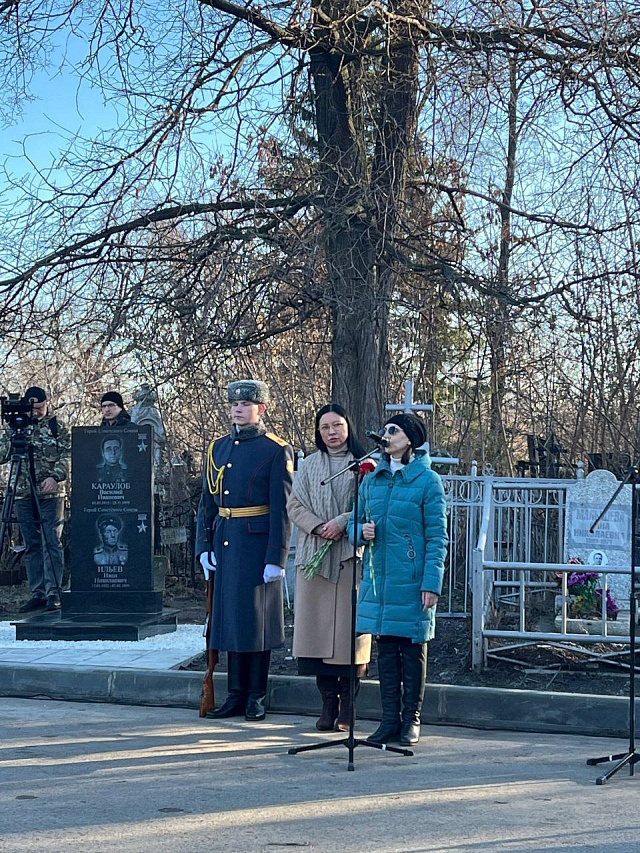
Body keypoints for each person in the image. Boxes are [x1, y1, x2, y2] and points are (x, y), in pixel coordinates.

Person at [196, 379, 294, 722]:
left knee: (257, 622)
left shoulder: (275, 449)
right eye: (234, 404)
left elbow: (282, 508)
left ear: (261, 409)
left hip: (256, 544)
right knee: (230, 622)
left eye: (246, 404)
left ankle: (256, 695)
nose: (238, 408)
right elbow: (207, 502)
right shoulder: (218, 448)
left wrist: (276, 557)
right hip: (225, 539)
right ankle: (234, 694)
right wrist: (203, 546)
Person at [349, 413, 448, 746]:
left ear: (410, 440)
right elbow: (354, 524)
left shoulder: (427, 481)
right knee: (386, 650)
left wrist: (432, 583)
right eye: (385, 430)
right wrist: (359, 532)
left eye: (393, 431)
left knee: (412, 648)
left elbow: (437, 537)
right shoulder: (371, 479)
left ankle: (411, 720)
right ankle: (388, 720)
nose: (385, 435)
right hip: (380, 579)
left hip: (413, 578)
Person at [288, 404, 372, 732]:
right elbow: (294, 504)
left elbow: (371, 504)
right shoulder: (308, 464)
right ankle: (327, 704)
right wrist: (319, 525)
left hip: (350, 556)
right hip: (315, 556)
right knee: (318, 635)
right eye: (325, 427)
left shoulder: (365, 465)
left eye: (337, 425)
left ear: (348, 427)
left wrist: (342, 521)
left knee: (349, 637)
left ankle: (349, 706)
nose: (331, 432)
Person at [0, 386, 71, 612]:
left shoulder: (56, 426)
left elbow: (69, 454)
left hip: (50, 493)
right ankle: (37, 592)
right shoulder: (16, 427)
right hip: (22, 492)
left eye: (40, 407)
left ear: (46, 403)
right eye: (34, 408)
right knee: (31, 545)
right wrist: (12, 435)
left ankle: (54, 593)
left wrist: (55, 476)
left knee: (51, 541)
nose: (37, 412)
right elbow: (2, 455)